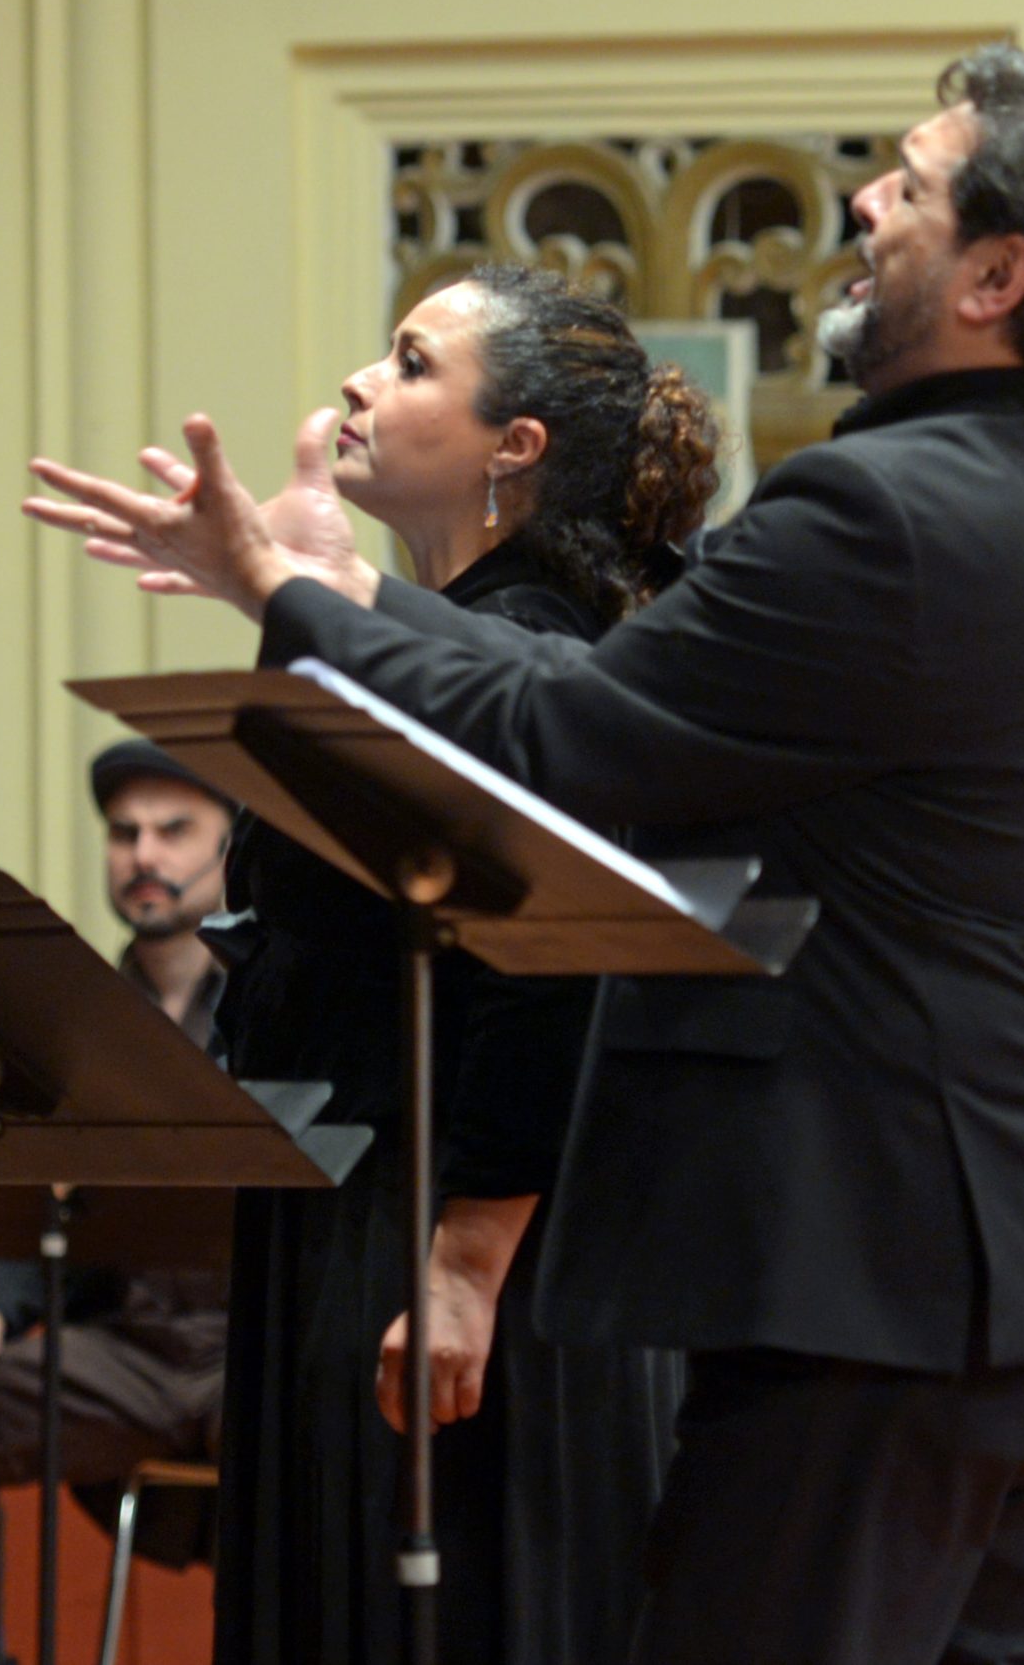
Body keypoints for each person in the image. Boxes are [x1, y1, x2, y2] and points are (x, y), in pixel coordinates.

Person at [32, 42, 1024, 1665]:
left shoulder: (881, 508)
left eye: (913, 185)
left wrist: (287, 596)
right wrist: (345, 593)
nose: (865, 204)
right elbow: (608, 700)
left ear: (995, 274)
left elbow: (570, 745)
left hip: (896, 1278)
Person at [137, 263, 713, 1665]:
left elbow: (552, 963)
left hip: (467, 1226)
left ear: (516, 446)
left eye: (410, 363)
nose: (359, 379)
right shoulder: (432, 644)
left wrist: (465, 1256)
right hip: (355, 1203)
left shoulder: (547, 657)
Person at [0, 739, 235, 1665]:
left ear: (230, 848)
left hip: (251, 1350)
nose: (143, 853)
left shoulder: (274, 1000)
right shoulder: (77, 1019)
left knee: (353, 1424)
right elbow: (43, 1203)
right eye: (124, 833)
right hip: (130, 1353)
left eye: (174, 830)